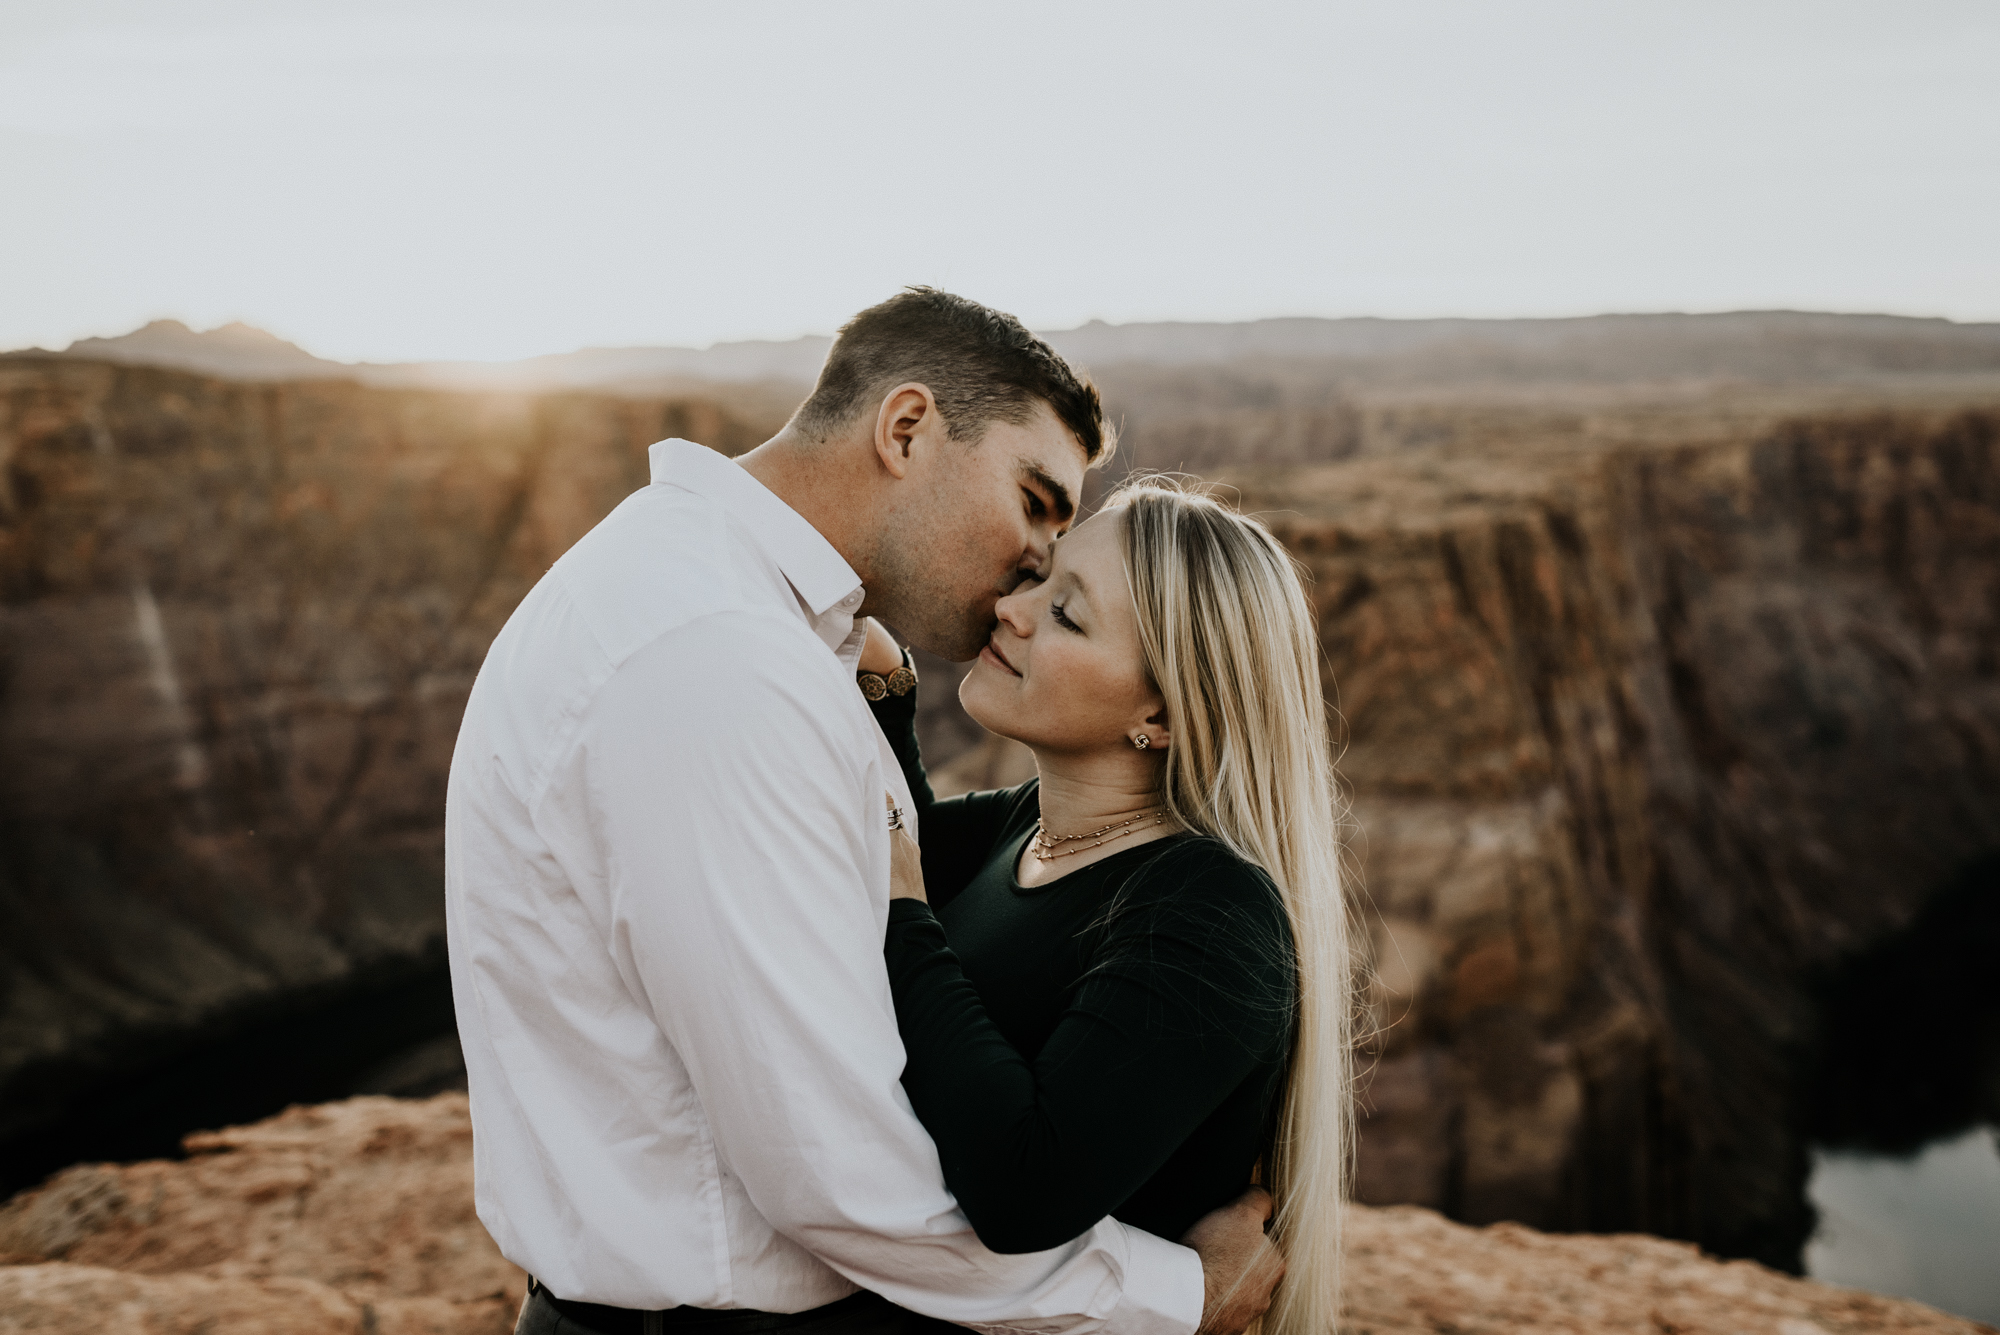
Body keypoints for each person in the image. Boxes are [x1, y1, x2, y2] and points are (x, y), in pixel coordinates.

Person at [445, 289, 1286, 1335]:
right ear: (905, 429)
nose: (1030, 566)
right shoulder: (721, 663)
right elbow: (833, 1175)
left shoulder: (684, 584)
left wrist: (876, 712)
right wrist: (1178, 1296)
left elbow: (891, 882)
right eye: (1034, 500)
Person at [860, 479, 1353, 1335]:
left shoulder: (1211, 914)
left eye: (1068, 616)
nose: (1012, 610)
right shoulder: (1030, 826)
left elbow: (1024, 1188)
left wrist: (904, 915)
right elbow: (907, 852)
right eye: (1036, 582)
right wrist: (888, 693)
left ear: (1158, 713)